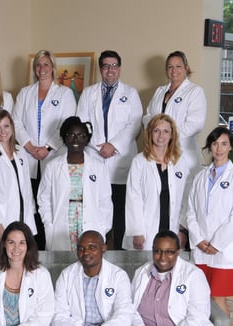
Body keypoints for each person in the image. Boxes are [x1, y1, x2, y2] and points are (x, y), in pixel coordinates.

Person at [76, 50, 142, 250]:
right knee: (96, 210)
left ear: (119, 68)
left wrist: (113, 145)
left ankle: (120, 254)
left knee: (121, 213)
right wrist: (99, 146)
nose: (110, 70)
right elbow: (82, 123)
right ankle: (97, 251)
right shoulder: (88, 93)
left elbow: (135, 124)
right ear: (100, 69)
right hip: (95, 157)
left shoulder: (130, 94)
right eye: (105, 66)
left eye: (114, 66)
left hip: (120, 162)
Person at [13, 49, 77, 248]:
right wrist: (30, 146)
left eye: (46, 65)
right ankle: (32, 248)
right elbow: (15, 121)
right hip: (29, 156)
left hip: (53, 156)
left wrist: (48, 147)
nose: (42, 69)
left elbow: (66, 125)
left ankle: (50, 245)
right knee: (29, 203)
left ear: (53, 68)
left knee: (50, 202)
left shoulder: (65, 94)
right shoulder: (25, 93)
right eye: (38, 65)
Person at [186, 126, 233, 316]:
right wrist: (198, 240)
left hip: (225, 250)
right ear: (209, 147)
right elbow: (190, 211)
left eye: (224, 144)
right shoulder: (200, 177)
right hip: (202, 248)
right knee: (200, 297)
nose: (219, 149)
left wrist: (217, 244)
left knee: (217, 298)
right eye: (215, 143)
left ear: (230, 147)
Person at [38, 116, 112, 251]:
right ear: (64, 138)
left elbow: (105, 202)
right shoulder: (52, 167)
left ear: (87, 139)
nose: (76, 139)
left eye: (81, 135)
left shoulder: (99, 167)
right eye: (71, 135)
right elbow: (44, 200)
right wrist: (49, 226)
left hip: (91, 227)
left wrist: (102, 229)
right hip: (60, 229)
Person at [124, 114, 190, 250]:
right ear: (150, 133)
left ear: (172, 135)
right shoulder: (139, 161)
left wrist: (182, 230)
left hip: (172, 229)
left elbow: (186, 197)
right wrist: (137, 231)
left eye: (166, 131)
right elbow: (133, 198)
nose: (161, 135)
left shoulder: (180, 162)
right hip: (145, 232)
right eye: (156, 130)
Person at [143, 51, 206, 179]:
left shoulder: (195, 91)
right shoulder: (160, 91)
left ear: (186, 68)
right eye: (170, 67)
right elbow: (147, 116)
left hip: (183, 154)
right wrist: (156, 133)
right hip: (157, 153)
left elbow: (195, 124)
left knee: (181, 196)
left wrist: (167, 137)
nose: (174, 70)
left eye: (178, 66)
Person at [0, 110, 37, 249]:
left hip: (23, 222)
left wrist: (31, 215)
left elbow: (26, 189)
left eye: (6, 126)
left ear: (12, 127)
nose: (3, 131)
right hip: (1, 226)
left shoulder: (20, 152)